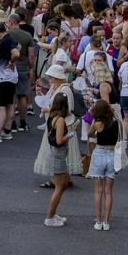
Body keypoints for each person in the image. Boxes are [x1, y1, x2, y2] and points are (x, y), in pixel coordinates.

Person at [86, 99, 120, 231]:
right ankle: (106, 221)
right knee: (108, 191)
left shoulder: (97, 123)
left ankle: (98, 220)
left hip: (99, 153)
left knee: (98, 191)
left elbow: (89, 134)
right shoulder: (116, 123)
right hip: (112, 155)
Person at [43, 93, 76, 227]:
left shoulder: (52, 116)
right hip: (58, 156)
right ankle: (49, 217)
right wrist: (71, 133)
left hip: (55, 154)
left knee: (62, 186)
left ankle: (53, 213)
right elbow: (59, 140)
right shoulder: (61, 120)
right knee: (59, 187)